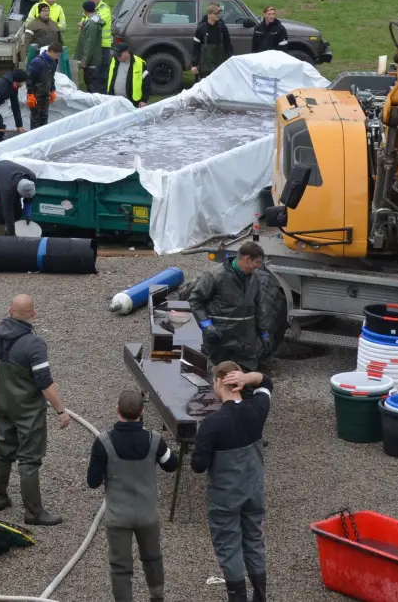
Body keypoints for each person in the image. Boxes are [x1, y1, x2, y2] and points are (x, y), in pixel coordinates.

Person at [86, 389, 179, 602]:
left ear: (117, 410)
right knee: (153, 557)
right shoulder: (155, 440)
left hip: (118, 516)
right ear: (142, 411)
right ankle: (156, 597)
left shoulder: (103, 442)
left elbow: (93, 482)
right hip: (147, 515)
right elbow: (172, 465)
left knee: (120, 567)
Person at [192, 362, 273, 602]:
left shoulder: (211, 424)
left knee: (229, 547)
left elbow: (198, 466)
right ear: (237, 381)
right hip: (254, 491)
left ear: (218, 382)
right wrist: (249, 378)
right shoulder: (258, 410)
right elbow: (266, 382)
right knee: (254, 541)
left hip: (225, 498)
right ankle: (260, 596)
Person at [0, 294, 71, 527]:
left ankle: (0, 497)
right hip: (27, 410)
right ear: (33, 314)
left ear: (9, 310)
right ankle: (33, 512)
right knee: (29, 459)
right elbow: (45, 383)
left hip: (3, 402)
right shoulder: (34, 344)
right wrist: (61, 410)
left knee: (3, 448)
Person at [188, 242, 281, 373]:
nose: (259, 267)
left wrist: (264, 333)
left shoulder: (255, 279)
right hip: (220, 340)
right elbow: (195, 300)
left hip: (245, 343)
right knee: (219, 380)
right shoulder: (215, 275)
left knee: (245, 380)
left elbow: (258, 307)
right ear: (247, 259)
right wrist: (207, 326)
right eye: (257, 262)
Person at [0, 160, 37, 236]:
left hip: (4, 173)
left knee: (17, 211)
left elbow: (29, 198)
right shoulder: (6, 189)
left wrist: (27, 214)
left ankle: (12, 228)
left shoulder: (31, 177)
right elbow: (8, 213)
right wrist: (12, 236)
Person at [192, 4, 234, 80]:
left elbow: (228, 45)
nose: (218, 15)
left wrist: (232, 59)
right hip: (205, 66)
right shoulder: (201, 29)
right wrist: (194, 65)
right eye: (216, 13)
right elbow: (196, 48)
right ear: (209, 14)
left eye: (219, 13)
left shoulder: (223, 27)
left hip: (219, 65)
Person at [27, 42, 61, 129]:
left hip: (45, 94)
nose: (58, 57)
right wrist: (30, 94)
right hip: (36, 95)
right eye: (57, 55)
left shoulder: (54, 61)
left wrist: (52, 90)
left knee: (44, 118)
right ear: (52, 52)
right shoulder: (37, 62)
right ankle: (34, 139)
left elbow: (51, 76)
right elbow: (29, 79)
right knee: (36, 119)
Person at [75, 0, 105, 92]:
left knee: (92, 86)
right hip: (93, 60)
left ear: (85, 10)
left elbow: (89, 45)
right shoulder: (93, 21)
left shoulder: (92, 25)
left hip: (91, 62)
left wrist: (83, 62)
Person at [23, 1, 63, 67]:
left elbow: (60, 39)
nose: (46, 13)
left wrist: (60, 51)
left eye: (48, 11)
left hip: (54, 55)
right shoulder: (33, 24)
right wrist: (29, 55)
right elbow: (27, 41)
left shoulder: (54, 24)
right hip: (39, 55)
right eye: (44, 11)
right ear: (39, 12)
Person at [107, 44, 147, 108]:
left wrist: (144, 100)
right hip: (114, 100)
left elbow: (146, 83)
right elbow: (110, 78)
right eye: (116, 55)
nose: (118, 57)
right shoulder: (114, 61)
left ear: (126, 52)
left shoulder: (140, 63)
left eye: (119, 55)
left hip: (132, 102)